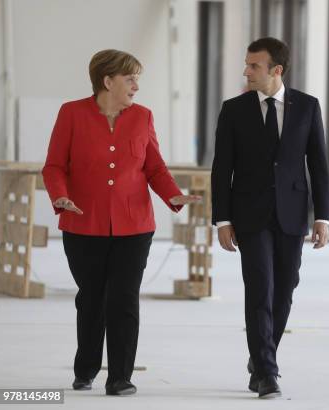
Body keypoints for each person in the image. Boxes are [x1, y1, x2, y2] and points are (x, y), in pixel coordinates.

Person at [42, 49, 200, 396]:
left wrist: (172, 195)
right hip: (83, 225)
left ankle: (120, 377)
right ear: (107, 80)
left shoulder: (143, 117)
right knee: (92, 298)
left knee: (124, 298)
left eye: (137, 78)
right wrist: (60, 197)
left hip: (135, 226)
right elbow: (54, 166)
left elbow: (154, 167)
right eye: (130, 78)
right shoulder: (71, 114)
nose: (136, 86)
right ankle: (85, 367)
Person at [211, 37, 329, 399]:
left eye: (254, 66)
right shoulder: (233, 109)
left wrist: (322, 216)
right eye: (247, 64)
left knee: (285, 288)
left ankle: (262, 354)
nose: (246, 72)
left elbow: (319, 165)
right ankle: (266, 370)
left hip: (292, 213)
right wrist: (222, 220)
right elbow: (222, 169)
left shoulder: (308, 106)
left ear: (276, 70)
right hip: (249, 215)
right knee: (260, 288)